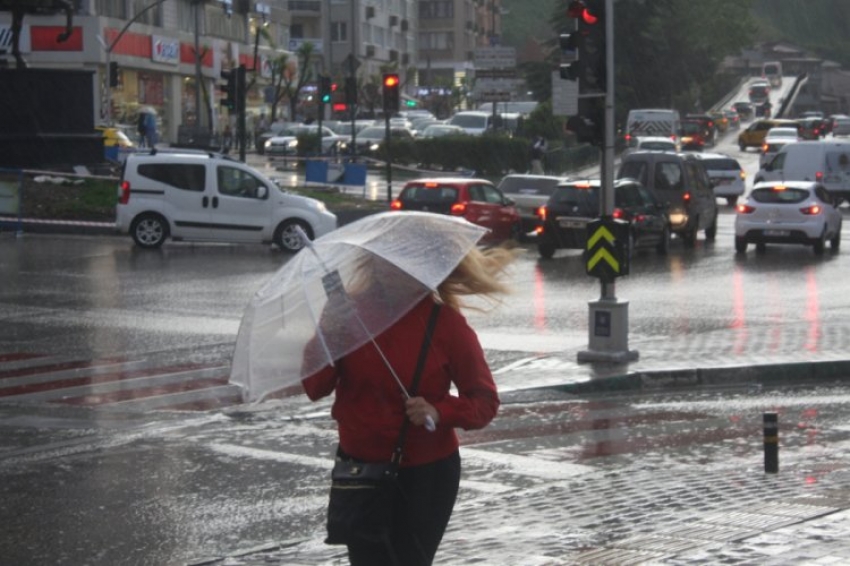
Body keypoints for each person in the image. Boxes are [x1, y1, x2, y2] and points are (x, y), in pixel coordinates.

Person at [301, 245, 516, 566]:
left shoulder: (446, 325)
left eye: (405, 264)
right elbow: (315, 386)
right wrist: (329, 330)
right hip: (360, 471)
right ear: (373, 264)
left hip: (424, 476)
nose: (394, 271)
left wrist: (439, 410)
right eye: (386, 261)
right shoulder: (347, 313)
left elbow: (485, 402)